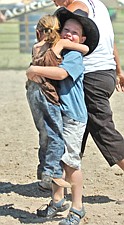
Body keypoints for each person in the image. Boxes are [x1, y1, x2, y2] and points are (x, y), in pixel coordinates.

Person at [26, 7, 99, 225]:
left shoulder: (74, 55)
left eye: (74, 33)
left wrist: (35, 71)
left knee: (70, 162)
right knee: (57, 156)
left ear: (82, 38)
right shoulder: (60, 51)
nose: (68, 34)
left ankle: (77, 206)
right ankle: (57, 200)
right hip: (59, 111)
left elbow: (61, 74)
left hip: (73, 116)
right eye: (66, 29)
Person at [50, 0, 124, 171]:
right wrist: (119, 71)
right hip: (106, 73)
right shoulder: (99, 5)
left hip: (91, 76)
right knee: (77, 126)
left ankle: (57, 173)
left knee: (102, 130)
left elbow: (54, 35)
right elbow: (110, 41)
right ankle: (59, 174)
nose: (54, 2)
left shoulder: (76, 6)